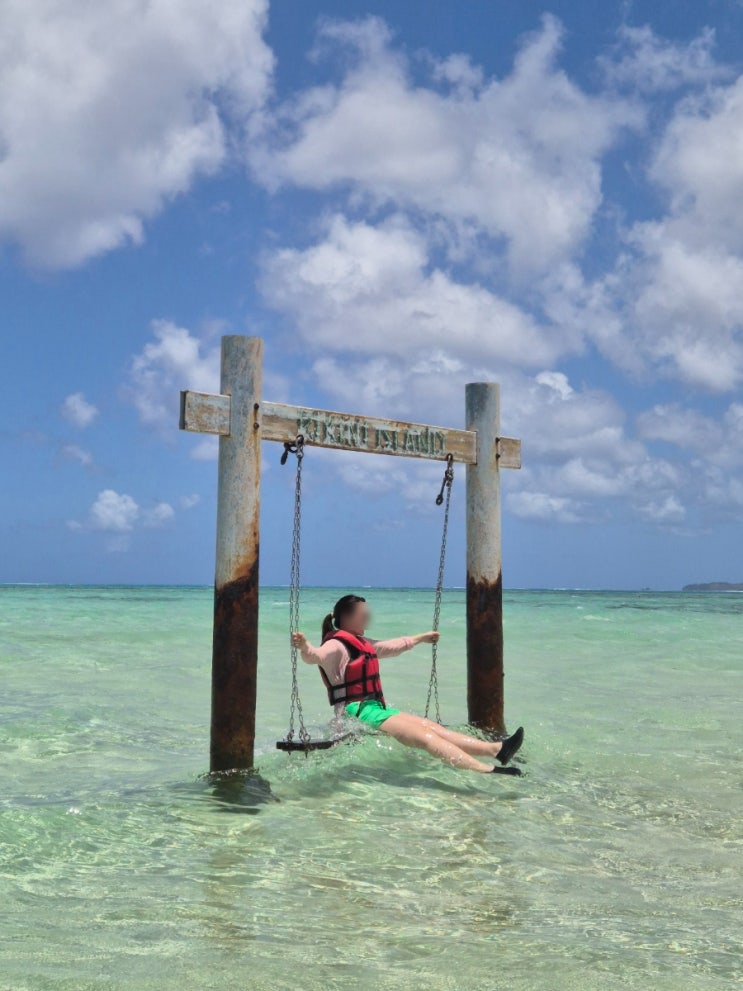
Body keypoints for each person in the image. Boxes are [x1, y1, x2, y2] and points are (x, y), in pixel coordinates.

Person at [292, 593, 524, 775]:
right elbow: (314, 656)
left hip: (375, 708)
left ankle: (496, 750)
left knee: (431, 727)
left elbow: (392, 646)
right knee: (425, 739)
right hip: (357, 711)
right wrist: (304, 646)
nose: (368, 617)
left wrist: (420, 638)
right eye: (363, 614)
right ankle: (486, 770)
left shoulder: (362, 643)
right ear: (347, 618)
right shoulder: (336, 646)